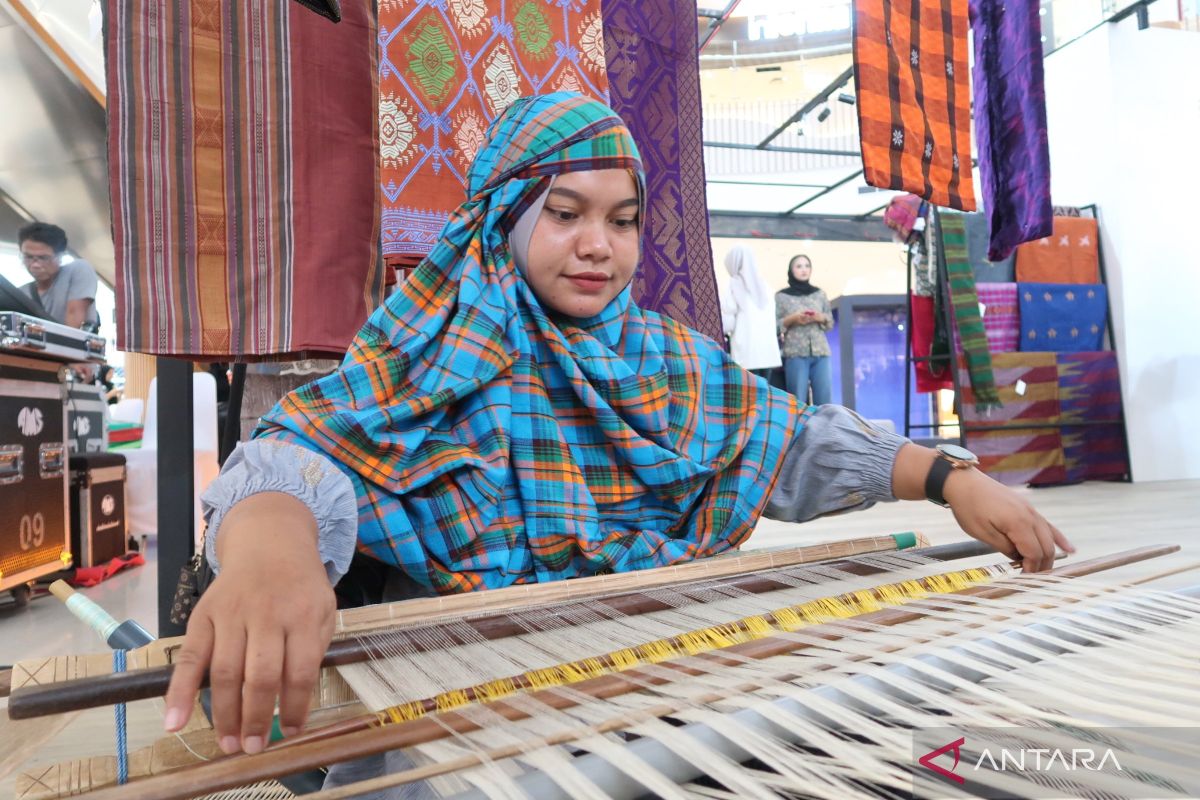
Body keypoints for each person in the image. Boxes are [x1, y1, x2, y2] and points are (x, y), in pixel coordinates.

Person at [164, 95, 1072, 778]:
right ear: (504, 219)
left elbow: (787, 442)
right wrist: (267, 556)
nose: (599, 244)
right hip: (458, 725)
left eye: (623, 219)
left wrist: (958, 481)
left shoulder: (665, 358)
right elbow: (297, 460)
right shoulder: (431, 344)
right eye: (565, 213)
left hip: (646, 694)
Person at [17, 222, 101, 331]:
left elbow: (73, 326)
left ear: (60, 256)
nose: (35, 264)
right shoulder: (21, 293)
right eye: (28, 257)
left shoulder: (78, 269)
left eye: (43, 258)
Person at [775, 254, 833, 404]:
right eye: (799, 266)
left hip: (821, 351)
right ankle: (800, 428)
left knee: (824, 400)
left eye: (807, 266)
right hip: (795, 353)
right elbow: (774, 325)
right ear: (791, 270)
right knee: (797, 400)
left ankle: (825, 428)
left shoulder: (820, 294)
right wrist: (792, 319)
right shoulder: (781, 296)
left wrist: (821, 318)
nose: (804, 270)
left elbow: (830, 322)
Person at [718, 245, 782, 378]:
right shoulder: (765, 286)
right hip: (767, 353)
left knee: (748, 394)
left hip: (746, 352)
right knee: (764, 392)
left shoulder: (734, 283)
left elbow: (729, 321)